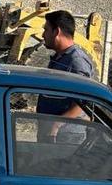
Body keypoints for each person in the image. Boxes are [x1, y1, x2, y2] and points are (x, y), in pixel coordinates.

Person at [36, 10, 95, 142]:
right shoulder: (60, 57)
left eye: (46, 30)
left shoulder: (76, 61)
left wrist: (57, 125)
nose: (42, 35)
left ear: (56, 32)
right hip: (52, 133)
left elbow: (83, 101)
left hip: (66, 137)